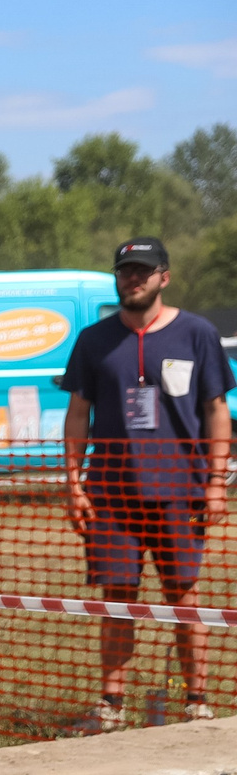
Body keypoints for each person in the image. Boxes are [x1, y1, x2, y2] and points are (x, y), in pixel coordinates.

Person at [60, 237, 231, 731]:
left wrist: (217, 482)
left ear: (164, 276)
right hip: (111, 496)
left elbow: (216, 411)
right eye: (124, 272)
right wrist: (73, 484)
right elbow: (77, 415)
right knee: (118, 598)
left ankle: (196, 700)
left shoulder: (197, 333)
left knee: (184, 596)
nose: (132, 280)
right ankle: (111, 706)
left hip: (182, 491)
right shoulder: (93, 340)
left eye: (142, 271)